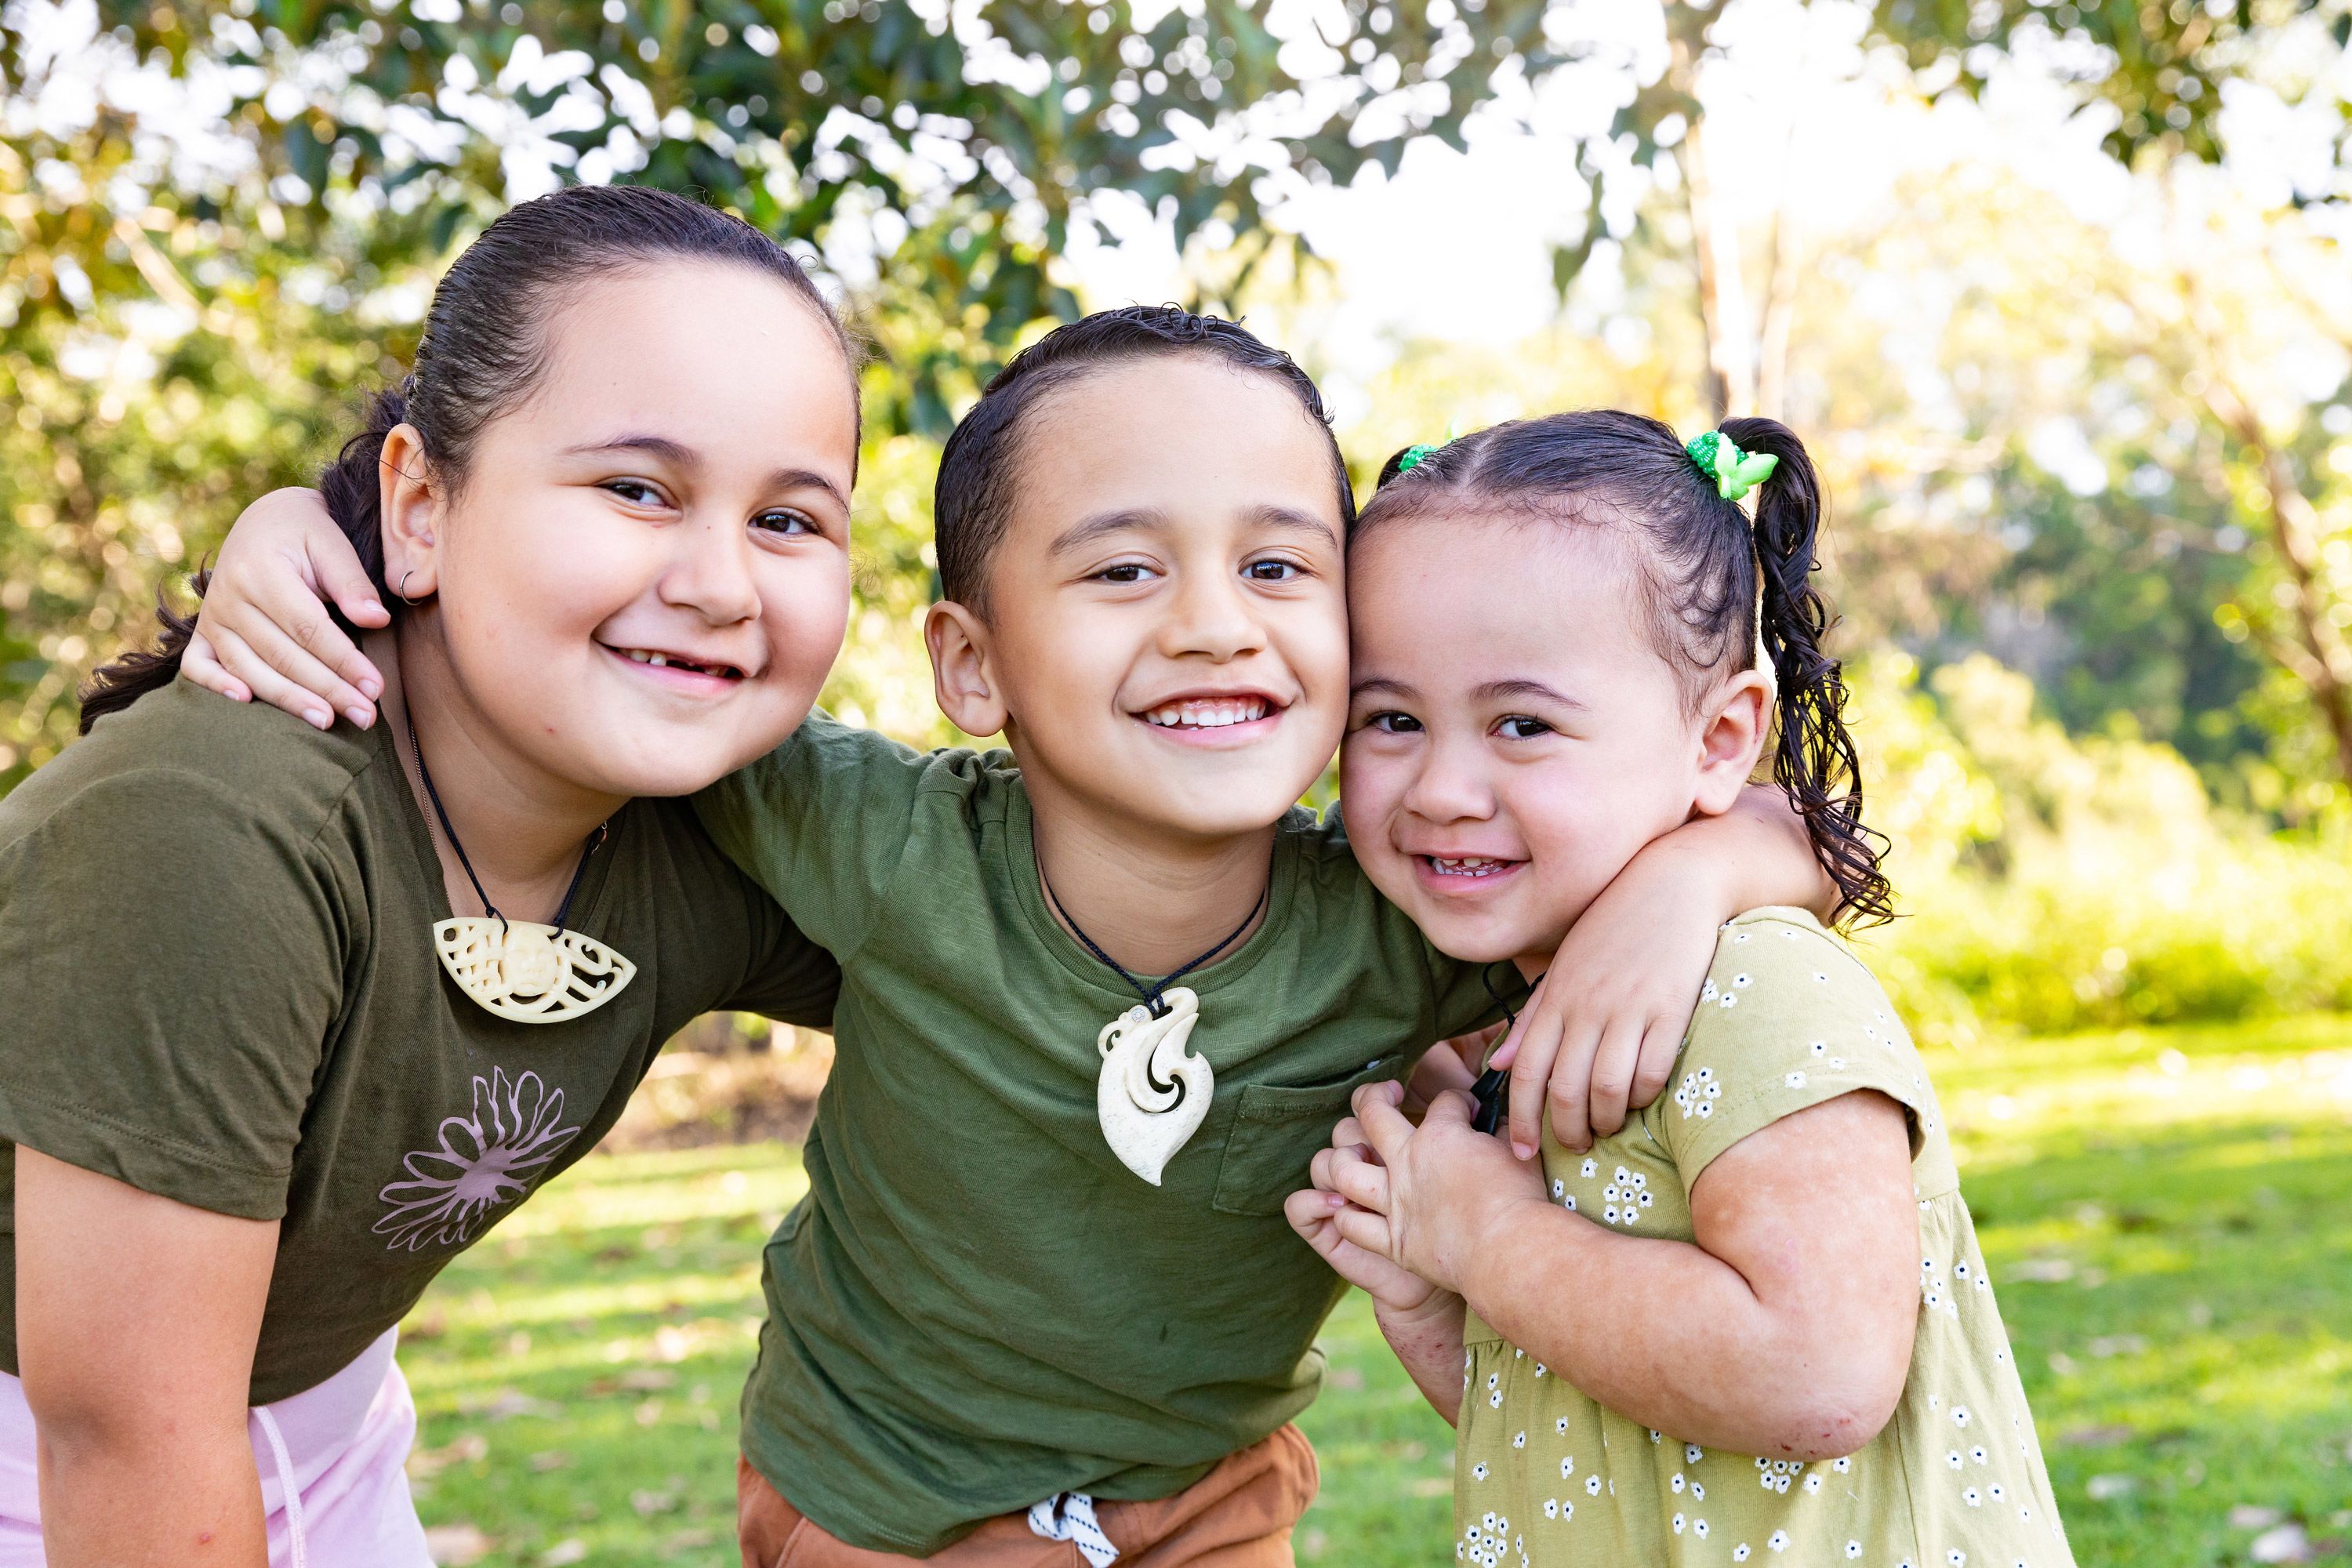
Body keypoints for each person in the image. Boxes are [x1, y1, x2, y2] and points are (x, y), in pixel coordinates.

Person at [181, 310, 1841, 1566]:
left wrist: (1694, 884)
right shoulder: (874, 835)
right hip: (873, 1503)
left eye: (1280, 561)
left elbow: (1796, 822)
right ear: (971, 666)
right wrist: (295, 531)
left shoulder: (1406, 916)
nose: (1212, 619)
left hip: (1207, 1501)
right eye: (1123, 568)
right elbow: (570, 643)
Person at [0, 183, 860, 1566]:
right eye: (637, 488)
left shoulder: (726, 826)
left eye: (790, 519)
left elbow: (1051, 932)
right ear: (419, 502)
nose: (720, 583)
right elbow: (125, 1442)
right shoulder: (213, 825)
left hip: (325, 1449)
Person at [1292, 412, 2074, 1567]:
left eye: (1522, 723)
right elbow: (1579, 1433)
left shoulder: (1755, 988)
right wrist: (1431, 1292)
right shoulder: (1492, 1003)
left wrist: (1489, 1237)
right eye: (1392, 719)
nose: (1445, 786)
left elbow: (1816, 1374)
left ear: (1718, 741)